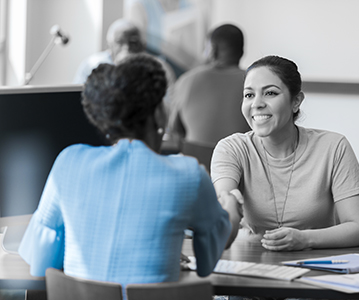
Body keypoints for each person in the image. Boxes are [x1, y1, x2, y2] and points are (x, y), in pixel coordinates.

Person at [18, 53, 231, 296]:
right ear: (159, 113)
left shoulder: (69, 161)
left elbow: (40, 262)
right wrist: (232, 211)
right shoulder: (188, 174)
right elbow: (206, 265)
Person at [213, 55, 359, 251]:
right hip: (252, 262)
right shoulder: (231, 148)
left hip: (317, 266)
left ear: (296, 101)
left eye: (270, 93)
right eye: (249, 95)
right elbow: (225, 201)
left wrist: (304, 239)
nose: (257, 103)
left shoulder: (334, 146)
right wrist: (229, 208)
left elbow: (358, 227)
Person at [167, 24, 250, 171]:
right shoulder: (253, 83)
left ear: (212, 50)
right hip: (238, 176)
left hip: (194, 171)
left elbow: (175, 131)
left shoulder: (187, 80)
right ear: (241, 51)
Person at [73, 19, 146, 84]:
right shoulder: (92, 65)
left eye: (133, 42)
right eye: (120, 42)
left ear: (141, 46)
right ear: (109, 45)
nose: (126, 47)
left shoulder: (148, 67)